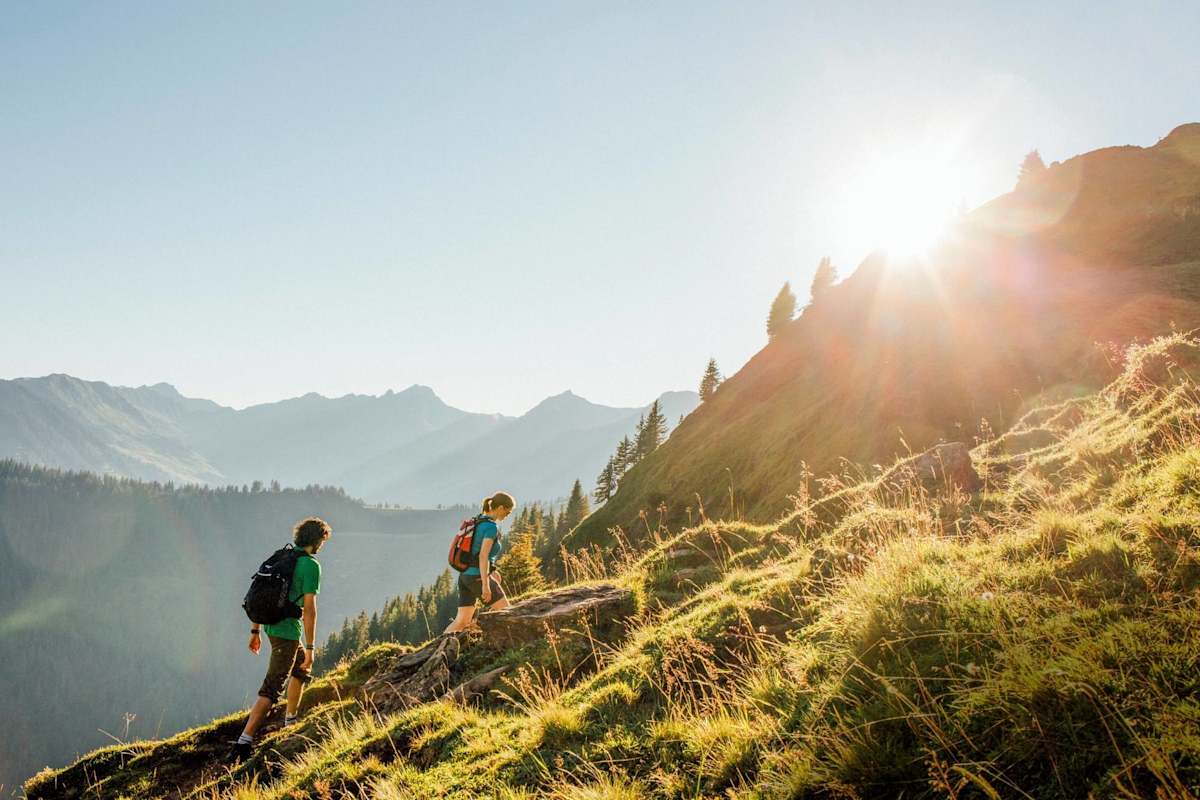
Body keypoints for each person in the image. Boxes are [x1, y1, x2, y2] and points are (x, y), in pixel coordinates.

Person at [229, 517, 331, 762]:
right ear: (317, 540)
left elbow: (261, 595)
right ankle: (243, 743)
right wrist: (311, 647)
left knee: (300, 671)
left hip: (271, 627)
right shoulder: (310, 565)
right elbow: (310, 611)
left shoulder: (280, 556)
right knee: (273, 687)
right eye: (323, 541)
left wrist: (255, 631)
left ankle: (290, 721)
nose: (323, 546)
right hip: (287, 633)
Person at [444, 492, 514, 634]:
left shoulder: (479, 520)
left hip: (465, 577)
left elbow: (475, 552)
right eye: (507, 512)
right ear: (500, 507)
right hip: (477, 577)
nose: (507, 515)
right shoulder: (491, 527)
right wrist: (486, 585)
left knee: (461, 622)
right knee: (507, 612)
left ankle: (438, 649)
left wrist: (492, 572)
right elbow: (483, 556)